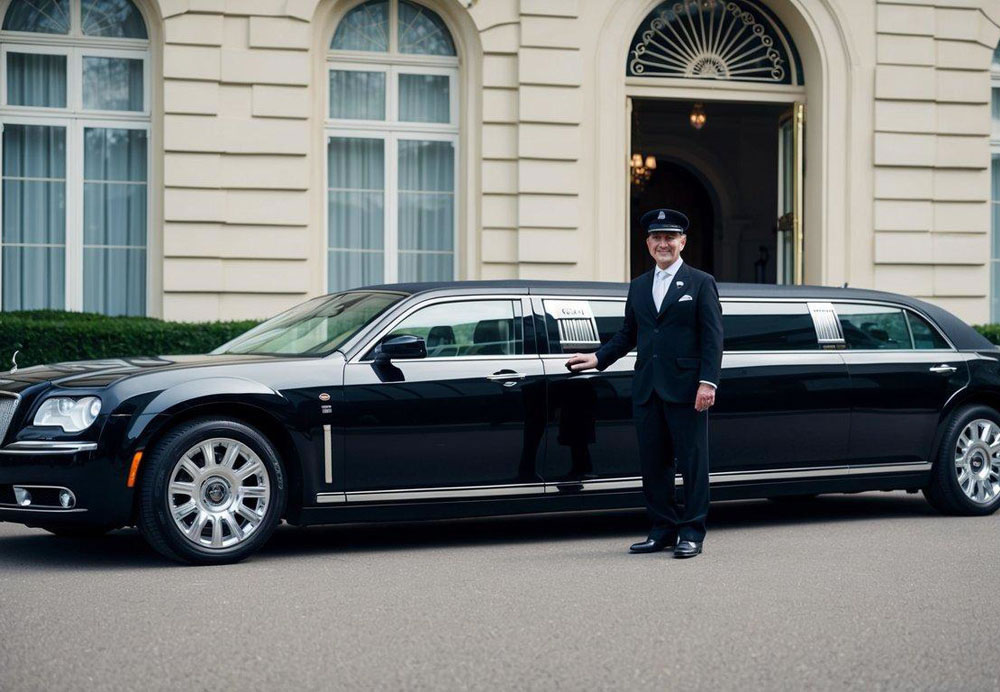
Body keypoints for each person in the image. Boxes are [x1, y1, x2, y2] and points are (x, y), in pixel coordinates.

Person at [565, 208, 723, 559]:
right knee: (654, 465)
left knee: (693, 463)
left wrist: (707, 383)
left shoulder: (700, 282)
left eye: (670, 237)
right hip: (648, 389)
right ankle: (662, 530)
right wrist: (597, 358)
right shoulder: (638, 285)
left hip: (687, 389)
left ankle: (692, 533)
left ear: (683, 241)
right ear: (647, 243)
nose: (663, 243)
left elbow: (713, 338)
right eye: (656, 238)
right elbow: (628, 334)